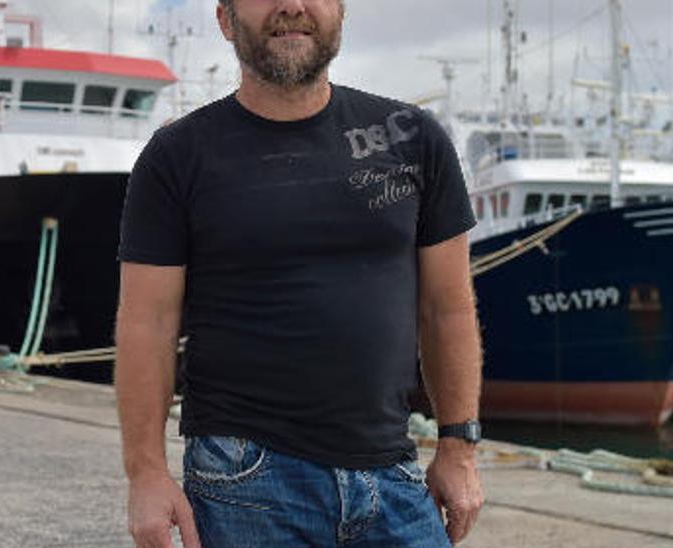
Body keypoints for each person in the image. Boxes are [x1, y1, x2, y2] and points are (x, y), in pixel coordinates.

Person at [115, 0, 484, 546]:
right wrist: (145, 474)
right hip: (244, 480)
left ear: (341, 12)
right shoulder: (177, 156)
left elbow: (447, 307)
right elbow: (148, 320)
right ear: (224, 18)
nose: (292, 6)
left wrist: (458, 447)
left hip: (394, 474)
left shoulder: (413, 138)